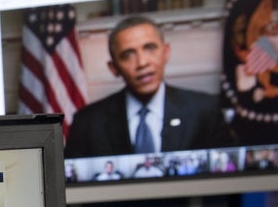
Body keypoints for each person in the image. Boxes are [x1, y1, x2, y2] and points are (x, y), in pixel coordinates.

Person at [65, 15, 234, 158]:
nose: (142, 63)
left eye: (150, 48)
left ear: (166, 52)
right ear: (114, 68)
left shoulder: (205, 110)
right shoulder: (87, 123)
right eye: (127, 55)